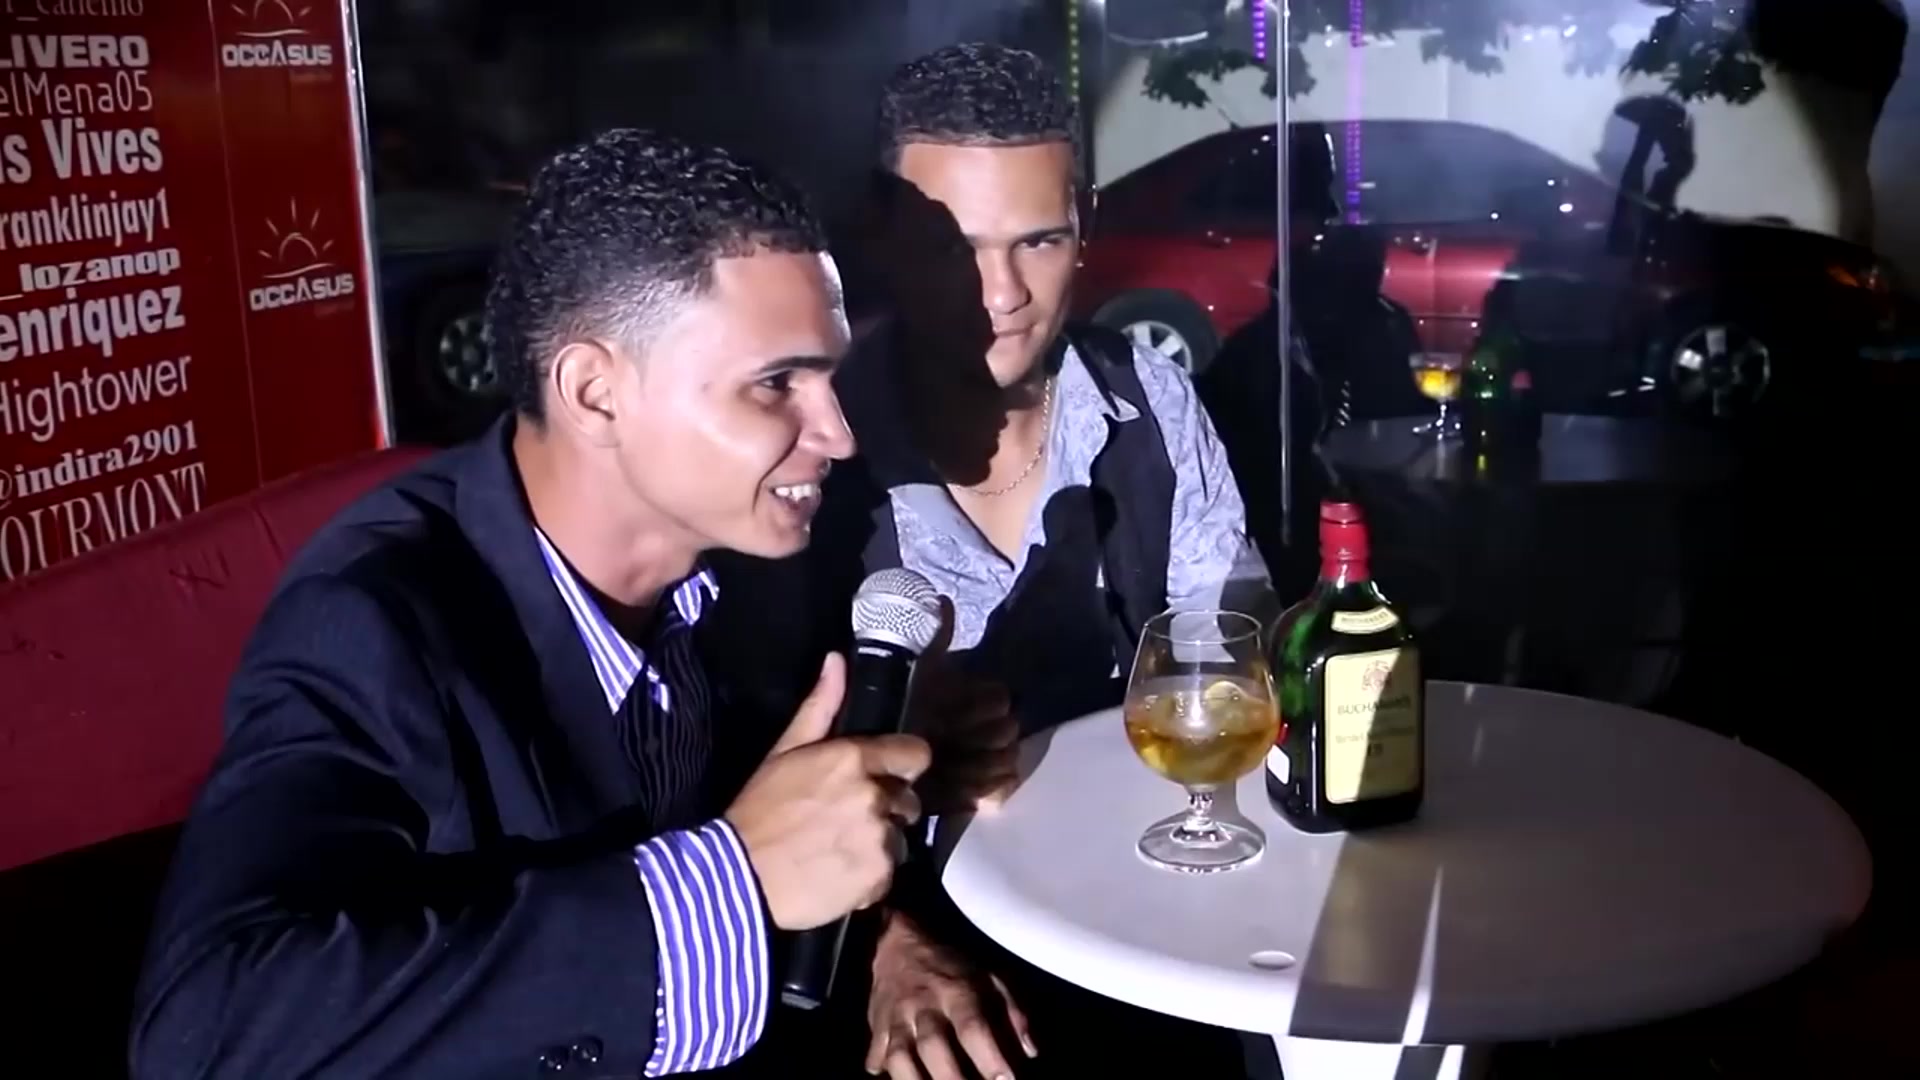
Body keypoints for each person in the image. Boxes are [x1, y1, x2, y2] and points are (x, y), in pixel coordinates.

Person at [129, 130, 932, 1078]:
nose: (835, 434)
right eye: (776, 384)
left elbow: (790, 816)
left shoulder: (760, 555)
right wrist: (732, 884)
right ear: (595, 394)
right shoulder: (373, 624)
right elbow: (208, 1032)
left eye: (830, 376)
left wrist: (890, 939)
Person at [778, 42, 1272, 1080]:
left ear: (1083, 227)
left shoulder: (1149, 399)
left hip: (1143, 912)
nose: (998, 293)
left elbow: (1234, 647)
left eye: (1037, 240)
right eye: (952, 245)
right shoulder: (803, 448)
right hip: (891, 940)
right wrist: (888, 944)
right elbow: (718, 759)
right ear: (881, 234)